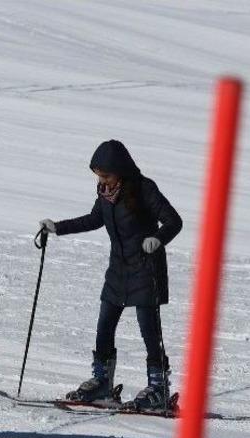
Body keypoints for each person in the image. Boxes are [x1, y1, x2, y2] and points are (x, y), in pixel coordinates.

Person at [40, 140, 182, 411]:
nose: (101, 180)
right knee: (104, 326)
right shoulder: (105, 193)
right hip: (118, 269)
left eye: (105, 174)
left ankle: (159, 388)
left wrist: (158, 238)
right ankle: (102, 383)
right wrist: (57, 228)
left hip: (145, 268)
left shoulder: (143, 189)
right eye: (98, 175)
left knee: (149, 330)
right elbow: (94, 220)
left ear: (120, 170)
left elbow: (174, 221)